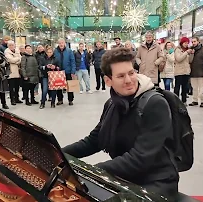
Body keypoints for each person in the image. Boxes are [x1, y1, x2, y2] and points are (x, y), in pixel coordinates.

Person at [62, 48, 178, 201]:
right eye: (121, 76)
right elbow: (94, 140)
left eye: (131, 73)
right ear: (108, 81)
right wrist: (58, 154)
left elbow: (139, 158)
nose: (129, 80)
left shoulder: (155, 104)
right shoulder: (112, 104)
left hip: (156, 183)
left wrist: (93, 171)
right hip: (127, 178)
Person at [54, 38, 76, 106]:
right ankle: (60, 100)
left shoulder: (69, 51)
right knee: (58, 87)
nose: (61, 44)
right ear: (58, 43)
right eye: (60, 43)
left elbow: (72, 61)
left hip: (68, 71)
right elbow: (53, 61)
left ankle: (70, 100)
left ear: (64, 43)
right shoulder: (55, 51)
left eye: (62, 43)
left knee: (70, 86)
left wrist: (73, 71)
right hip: (58, 72)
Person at [188, 37, 203, 107]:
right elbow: (189, 61)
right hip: (193, 72)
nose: (193, 43)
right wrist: (191, 54)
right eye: (192, 42)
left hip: (202, 71)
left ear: (198, 41)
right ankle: (195, 100)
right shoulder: (190, 50)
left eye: (195, 41)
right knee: (194, 87)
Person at [174, 37, 193, 105]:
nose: (186, 44)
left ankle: (184, 101)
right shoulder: (177, 50)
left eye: (187, 43)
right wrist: (186, 53)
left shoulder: (188, 50)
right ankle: (175, 101)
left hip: (186, 71)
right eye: (185, 43)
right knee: (177, 87)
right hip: (179, 71)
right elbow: (178, 59)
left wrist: (191, 54)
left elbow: (190, 61)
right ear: (182, 43)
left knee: (185, 87)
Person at [4, 40, 22, 105]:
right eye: (10, 45)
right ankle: (12, 100)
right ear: (8, 46)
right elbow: (10, 60)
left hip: (17, 71)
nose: (11, 46)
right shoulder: (6, 52)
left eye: (12, 45)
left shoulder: (17, 51)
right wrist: (17, 59)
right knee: (11, 87)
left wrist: (16, 60)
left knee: (17, 86)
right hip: (11, 71)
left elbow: (20, 59)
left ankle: (17, 98)